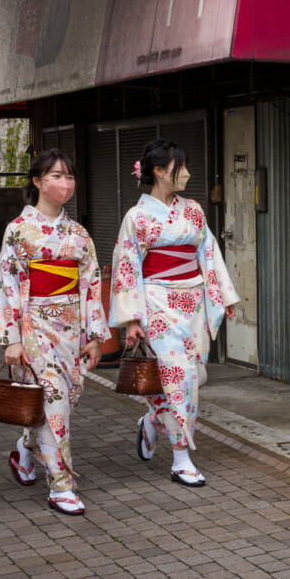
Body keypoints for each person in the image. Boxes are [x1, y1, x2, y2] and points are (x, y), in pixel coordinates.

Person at [0, 149, 107, 516]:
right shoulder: (19, 230)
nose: (65, 184)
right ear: (37, 181)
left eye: (70, 177)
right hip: (34, 325)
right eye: (56, 176)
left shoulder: (78, 233)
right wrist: (12, 339)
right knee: (54, 400)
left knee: (62, 398)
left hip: (70, 326)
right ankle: (61, 485)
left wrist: (95, 335)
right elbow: (6, 283)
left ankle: (25, 451)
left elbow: (91, 284)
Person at [110, 138, 238, 487]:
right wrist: (132, 318)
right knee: (177, 379)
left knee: (194, 375)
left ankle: (152, 421)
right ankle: (181, 457)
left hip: (193, 302)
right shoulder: (136, 217)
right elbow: (126, 267)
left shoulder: (193, 209)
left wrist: (221, 296)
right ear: (159, 171)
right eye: (180, 167)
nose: (187, 173)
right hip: (157, 304)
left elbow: (207, 254)